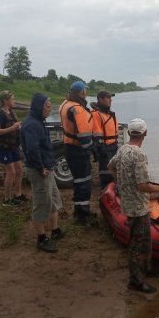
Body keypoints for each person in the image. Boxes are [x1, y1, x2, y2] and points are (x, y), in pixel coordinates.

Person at [108, 118, 159, 293]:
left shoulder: (122, 149)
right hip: (137, 207)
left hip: (128, 202)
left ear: (128, 133)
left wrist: (121, 183)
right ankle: (135, 281)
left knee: (144, 238)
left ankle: (146, 268)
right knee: (138, 242)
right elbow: (143, 185)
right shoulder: (139, 154)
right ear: (145, 133)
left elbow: (110, 166)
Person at [21, 93, 64, 253]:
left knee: (53, 199)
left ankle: (55, 231)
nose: (50, 108)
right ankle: (41, 239)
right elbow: (32, 149)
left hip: (47, 167)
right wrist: (41, 168)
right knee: (41, 203)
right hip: (39, 170)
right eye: (47, 105)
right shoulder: (31, 124)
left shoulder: (39, 121)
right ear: (39, 106)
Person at [59, 81, 96, 224]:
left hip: (70, 148)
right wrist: (93, 150)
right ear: (82, 92)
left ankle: (79, 211)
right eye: (85, 91)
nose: (86, 93)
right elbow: (85, 136)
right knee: (84, 183)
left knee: (78, 181)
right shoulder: (77, 109)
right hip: (79, 151)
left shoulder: (65, 104)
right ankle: (82, 216)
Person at [0, 90, 27, 206]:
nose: (14, 101)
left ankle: (18, 194)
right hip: (4, 147)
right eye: (12, 99)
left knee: (19, 170)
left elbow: (16, 127)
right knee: (11, 172)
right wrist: (13, 128)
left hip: (13, 146)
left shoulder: (11, 112)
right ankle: (7, 199)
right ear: (6, 101)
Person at [91, 90, 119, 190]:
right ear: (100, 99)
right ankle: (105, 192)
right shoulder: (96, 114)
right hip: (105, 148)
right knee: (106, 174)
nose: (110, 100)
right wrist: (100, 148)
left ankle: (113, 192)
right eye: (108, 98)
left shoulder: (108, 113)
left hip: (113, 146)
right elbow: (96, 134)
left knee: (115, 172)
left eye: (110, 98)